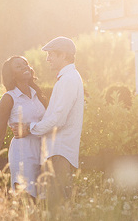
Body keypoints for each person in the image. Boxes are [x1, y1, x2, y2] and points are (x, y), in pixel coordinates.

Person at [12, 36, 84, 208]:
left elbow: (58, 119)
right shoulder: (68, 78)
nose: (48, 59)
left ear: (64, 55)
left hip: (58, 154)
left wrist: (30, 128)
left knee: (55, 208)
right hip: (56, 153)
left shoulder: (68, 80)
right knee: (54, 206)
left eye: (51, 54)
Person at [0, 56, 48, 197]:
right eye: (19, 66)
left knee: (44, 201)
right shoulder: (9, 98)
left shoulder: (37, 94)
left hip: (43, 153)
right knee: (26, 200)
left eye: (25, 64)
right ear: (12, 75)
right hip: (23, 155)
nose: (25, 67)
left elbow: (48, 122)